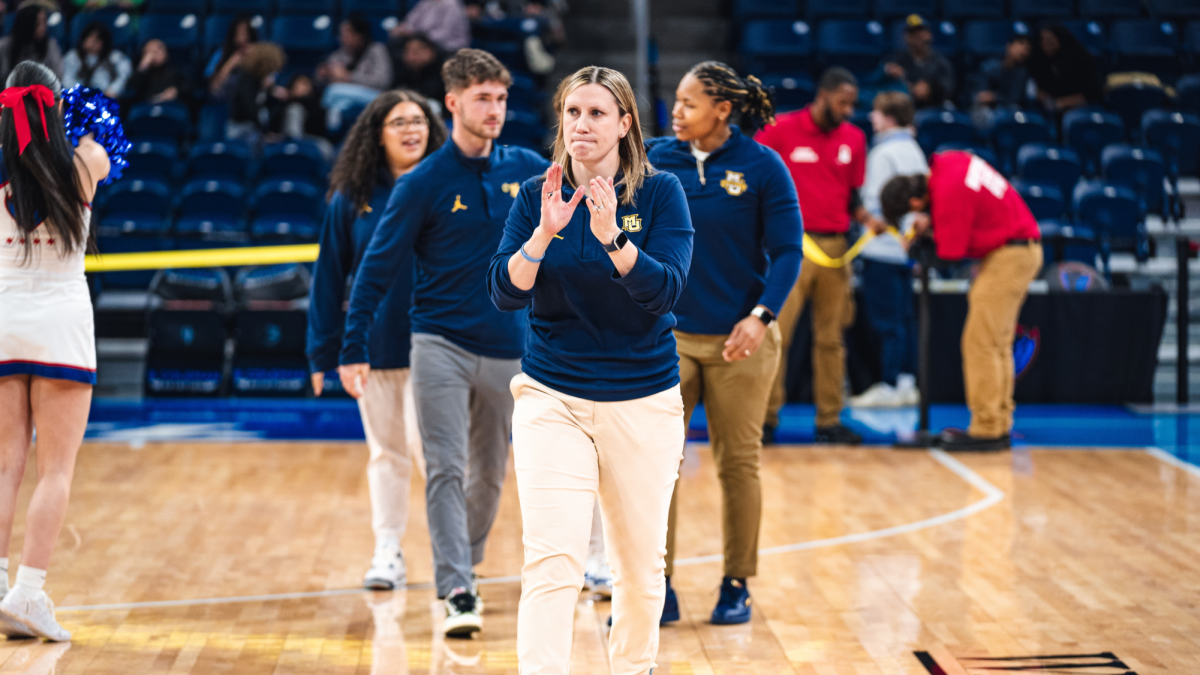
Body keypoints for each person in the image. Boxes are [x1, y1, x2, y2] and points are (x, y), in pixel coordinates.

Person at [488, 64, 693, 674]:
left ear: (625, 124)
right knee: (552, 562)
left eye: (598, 113)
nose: (582, 124)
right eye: (573, 112)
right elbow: (504, 291)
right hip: (553, 396)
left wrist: (613, 239)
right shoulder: (535, 195)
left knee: (638, 566)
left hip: (644, 400)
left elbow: (664, 293)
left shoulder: (660, 194)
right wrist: (543, 236)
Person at [340, 48, 549, 638]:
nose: (496, 110)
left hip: (510, 346)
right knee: (445, 470)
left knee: (490, 475)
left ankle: (465, 562)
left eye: (502, 99)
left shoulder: (528, 171)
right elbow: (375, 270)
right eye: (483, 98)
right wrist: (352, 345)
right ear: (453, 103)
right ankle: (457, 586)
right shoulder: (424, 182)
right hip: (438, 345)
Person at [647, 61, 801, 626]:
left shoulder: (764, 167)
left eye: (689, 103)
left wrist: (761, 317)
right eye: (677, 102)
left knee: (739, 463)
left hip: (743, 336)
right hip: (669, 339)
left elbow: (788, 252)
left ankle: (736, 583)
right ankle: (655, 584)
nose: (676, 112)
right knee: (656, 466)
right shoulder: (656, 158)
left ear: (723, 110)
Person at [307, 90, 447, 591]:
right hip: (374, 348)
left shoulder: (450, 187)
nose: (412, 129)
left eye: (419, 120)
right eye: (398, 122)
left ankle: (452, 564)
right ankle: (387, 550)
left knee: (435, 457)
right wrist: (324, 353)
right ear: (377, 134)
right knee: (386, 454)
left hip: (442, 348)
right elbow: (328, 278)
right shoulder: (350, 198)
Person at [0, 61, 112, 641]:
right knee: (56, 469)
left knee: (4, 464)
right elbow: (110, 139)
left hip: (3, 319)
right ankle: (28, 594)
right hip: (61, 323)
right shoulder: (84, 162)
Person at [880, 151, 1043, 451]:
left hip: (1009, 255)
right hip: (1019, 249)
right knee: (996, 343)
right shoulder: (947, 163)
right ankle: (998, 422)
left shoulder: (947, 192)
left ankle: (986, 429)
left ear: (915, 203)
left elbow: (947, 256)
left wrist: (914, 248)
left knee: (980, 343)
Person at [755, 67, 883, 445]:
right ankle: (764, 419)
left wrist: (868, 219)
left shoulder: (855, 139)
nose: (848, 110)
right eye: (842, 102)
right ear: (823, 96)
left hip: (837, 248)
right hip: (791, 246)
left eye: (851, 104)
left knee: (832, 339)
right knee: (776, 335)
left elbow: (853, 196)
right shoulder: (779, 130)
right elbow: (756, 180)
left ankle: (829, 419)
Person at [850, 91, 926, 408]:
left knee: (886, 321)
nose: (871, 117)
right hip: (907, 249)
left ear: (890, 118)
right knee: (904, 317)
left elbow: (874, 203)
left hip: (882, 249)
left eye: (877, 113)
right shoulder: (916, 151)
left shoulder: (882, 153)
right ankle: (906, 382)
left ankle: (890, 384)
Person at [318, 15, 394, 134]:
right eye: (341, 33)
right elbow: (321, 80)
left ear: (360, 34)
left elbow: (382, 81)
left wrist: (349, 77)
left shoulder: (377, 50)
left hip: (373, 95)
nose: (343, 37)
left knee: (333, 91)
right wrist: (324, 74)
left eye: (348, 33)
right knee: (338, 104)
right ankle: (334, 136)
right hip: (347, 96)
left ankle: (332, 128)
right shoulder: (340, 54)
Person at [1028, 24, 1102, 121]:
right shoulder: (1041, 61)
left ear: (1061, 39)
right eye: (1042, 40)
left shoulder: (1082, 59)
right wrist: (1041, 95)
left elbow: (1092, 94)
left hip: (1083, 108)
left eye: (1050, 40)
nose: (1046, 45)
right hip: (1050, 110)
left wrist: (1062, 103)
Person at [880, 14, 954, 110]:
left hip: (935, 105)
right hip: (905, 107)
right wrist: (910, 87)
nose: (917, 36)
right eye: (912, 32)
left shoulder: (941, 62)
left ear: (929, 35)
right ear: (906, 37)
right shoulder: (896, 59)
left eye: (921, 31)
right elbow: (882, 82)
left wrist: (930, 89)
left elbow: (949, 87)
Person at [968, 33, 1032, 131]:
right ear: (1009, 45)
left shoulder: (1023, 74)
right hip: (988, 111)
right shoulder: (989, 67)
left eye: (1027, 49)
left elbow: (1013, 99)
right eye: (1020, 43)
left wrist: (995, 97)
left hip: (1011, 112)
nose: (1023, 50)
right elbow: (981, 96)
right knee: (980, 111)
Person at [226, 42, 286, 144]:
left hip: (257, 128)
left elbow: (265, 108)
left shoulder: (263, 81)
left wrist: (270, 91)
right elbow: (251, 107)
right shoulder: (246, 78)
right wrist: (265, 133)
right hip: (242, 128)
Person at [62, 22, 131, 99]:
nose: (93, 41)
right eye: (90, 37)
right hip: (79, 99)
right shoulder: (73, 56)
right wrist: (81, 94)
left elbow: (124, 74)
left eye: (97, 39)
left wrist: (113, 90)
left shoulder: (113, 56)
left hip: (105, 98)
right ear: (83, 39)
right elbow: (67, 79)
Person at [0, 5, 64, 85]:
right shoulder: (5, 46)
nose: (44, 27)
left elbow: (57, 76)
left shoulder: (51, 45)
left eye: (45, 22)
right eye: (38, 24)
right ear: (27, 25)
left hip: (41, 94)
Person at [122, 39, 190, 108]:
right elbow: (131, 88)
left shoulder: (174, 72)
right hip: (146, 110)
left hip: (169, 108)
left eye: (156, 51)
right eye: (149, 52)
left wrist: (176, 92)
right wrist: (143, 65)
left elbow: (188, 90)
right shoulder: (142, 73)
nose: (153, 55)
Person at [205, 15, 258, 100]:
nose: (244, 38)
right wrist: (231, 63)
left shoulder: (260, 56)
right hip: (224, 102)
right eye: (240, 33)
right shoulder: (220, 54)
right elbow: (213, 89)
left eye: (248, 34)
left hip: (250, 103)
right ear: (233, 36)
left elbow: (267, 84)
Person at [389, 34, 446, 111]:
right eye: (408, 51)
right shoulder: (400, 73)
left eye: (418, 50)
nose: (413, 55)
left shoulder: (445, 74)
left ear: (432, 51)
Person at [391, 0, 470, 53]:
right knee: (394, 42)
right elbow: (410, 22)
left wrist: (420, 37)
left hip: (447, 48)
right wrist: (402, 30)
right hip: (423, 41)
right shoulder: (425, 3)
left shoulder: (452, 5)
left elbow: (444, 34)